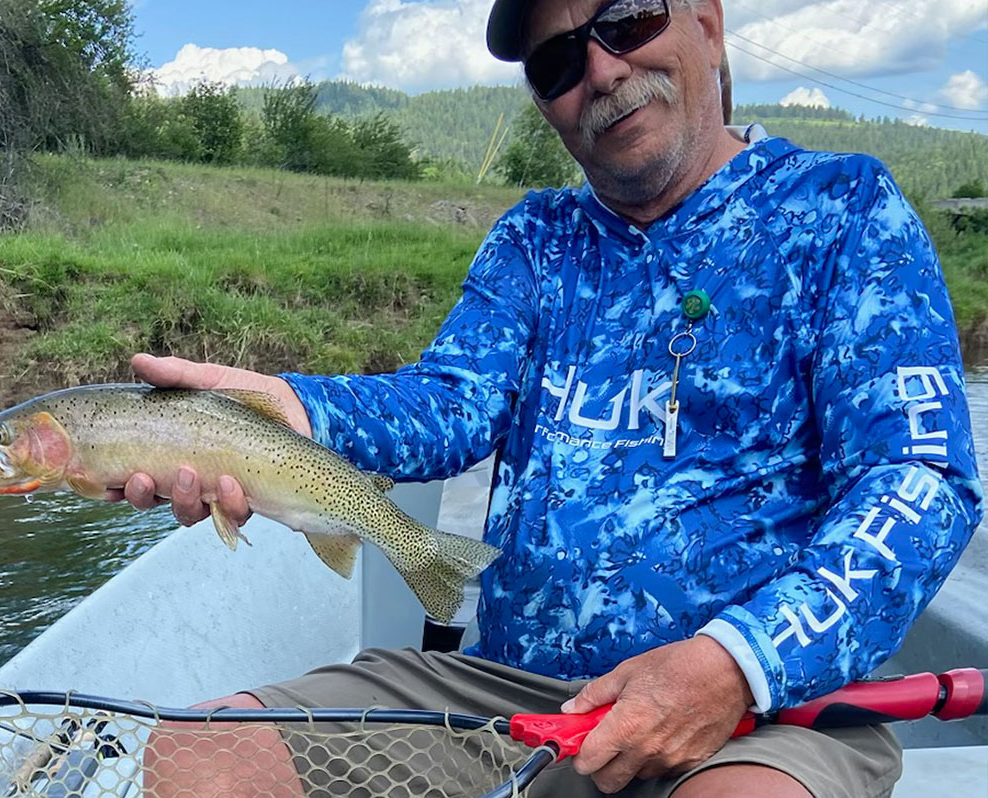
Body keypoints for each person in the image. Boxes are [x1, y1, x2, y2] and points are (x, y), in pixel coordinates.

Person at [114, 0, 984, 795]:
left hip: (764, 712)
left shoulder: (843, 211)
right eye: (558, 61)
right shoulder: (534, 240)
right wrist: (295, 416)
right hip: (507, 695)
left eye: (630, 19)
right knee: (203, 756)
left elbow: (921, 480)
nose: (601, 70)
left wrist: (735, 661)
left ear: (708, 24)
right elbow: (450, 404)